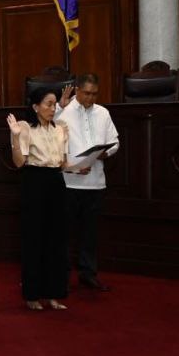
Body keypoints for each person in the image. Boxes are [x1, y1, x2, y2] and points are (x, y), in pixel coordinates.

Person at [6, 87, 74, 311]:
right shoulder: (25, 127)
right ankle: (32, 294)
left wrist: (78, 167)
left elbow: (63, 163)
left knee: (57, 240)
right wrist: (15, 137)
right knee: (34, 239)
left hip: (56, 182)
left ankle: (54, 294)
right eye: (48, 104)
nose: (53, 108)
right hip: (34, 182)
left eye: (55, 104)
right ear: (35, 107)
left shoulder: (61, 128)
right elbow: (19, 162)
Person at [55, 74, 119, 291]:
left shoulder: (103, 113)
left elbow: (114, 142)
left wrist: (105, 153)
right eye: (87, 93)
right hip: (69, 183)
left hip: (95, 182)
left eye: (94, 94)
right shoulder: (63, 110)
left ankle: (88, 273)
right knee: (64, 233)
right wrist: (59, 108)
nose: (91, 98)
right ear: (77, 91)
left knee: (90, 233)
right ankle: (61, 276)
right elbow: (48, 131)